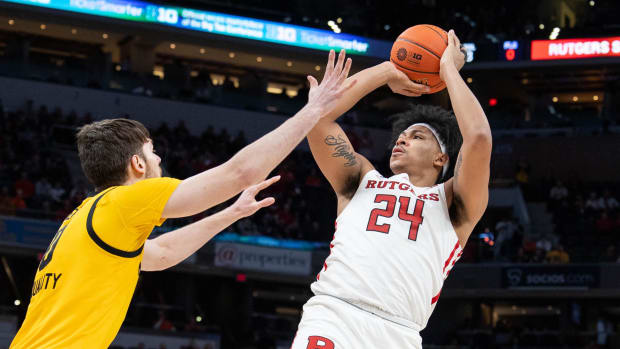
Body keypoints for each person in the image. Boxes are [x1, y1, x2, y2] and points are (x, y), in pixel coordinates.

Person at [10, 50, 355, 349]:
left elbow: (160, 255)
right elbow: (239, 173)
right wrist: (314, 111)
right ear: (138, 164)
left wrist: (231, 213)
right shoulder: (125, 201)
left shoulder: (88, 216)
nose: (159, 160)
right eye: (153, 152)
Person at [291, 30, 492, 349]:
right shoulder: (361, 180)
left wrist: (448, 71)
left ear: (441, 157)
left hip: (398, 332)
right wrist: (387, 71)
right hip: (334, 315)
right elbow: (318, 119)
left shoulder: (453, 204)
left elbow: (479, 138)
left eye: (417, 137)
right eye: (402, 135)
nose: (402, 139)